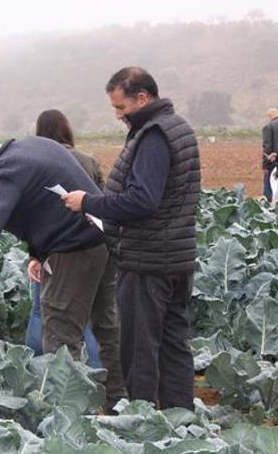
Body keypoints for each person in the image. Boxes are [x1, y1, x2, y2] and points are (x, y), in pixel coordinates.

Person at [0, 140, 127, 407]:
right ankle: (118, 403)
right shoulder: (30, 146)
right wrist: (38, 253)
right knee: (106, 326)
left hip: (72, 249)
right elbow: (44, 205)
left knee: (60, 334)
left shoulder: (3, 170)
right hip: (101, 240)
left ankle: (70, 420)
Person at [62, 67, 200, 410]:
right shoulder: (179, 127)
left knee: (138, 349)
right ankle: (179, 420)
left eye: (121, 108)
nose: (119, 116)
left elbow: (143, 200)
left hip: (148, 260)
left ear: (143, 98)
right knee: (173, 344)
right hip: (176, 257)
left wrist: (89, 202)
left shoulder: (153, 136)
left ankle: (141, 426)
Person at [30, 108, 103, 368]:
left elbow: (35, 214)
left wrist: (35, 255)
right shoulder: (88, 161)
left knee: (50, 313)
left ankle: (46, 369)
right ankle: (96, 372)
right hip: (92, 246)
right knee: (90, 314)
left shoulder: (37, 163)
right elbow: (102, 204)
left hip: (56, 249)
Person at [261, 108, 278, 200]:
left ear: (269, 116)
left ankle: (269, 205)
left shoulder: (268, 127)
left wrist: (266, 165)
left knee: (269, 184)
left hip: (274, 161)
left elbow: (267, 147)